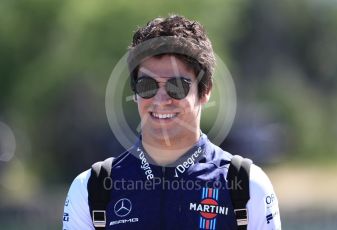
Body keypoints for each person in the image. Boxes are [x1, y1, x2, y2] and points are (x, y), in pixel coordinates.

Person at [62, 15, 281, 230]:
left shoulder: (248, 187)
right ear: (135, 92)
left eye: (177, 86)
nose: (160, 100)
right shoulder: (92, 189)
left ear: (205, 92)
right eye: (147, 85)